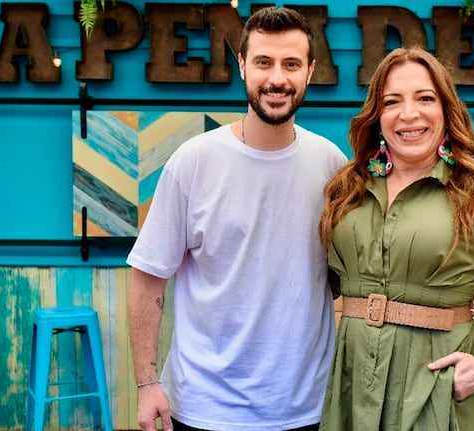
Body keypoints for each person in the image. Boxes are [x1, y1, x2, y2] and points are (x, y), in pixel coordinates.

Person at [126, 6, 347, 431]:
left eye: (291, 64)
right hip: (204, 408)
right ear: (243, 65)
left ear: (310, 71)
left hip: (305, 407)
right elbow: (148, 276)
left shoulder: (331, 165)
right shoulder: (193, 162)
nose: (277, 78)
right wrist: (146, 382)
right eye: (263, 62)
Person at [317, 45, 474, 430]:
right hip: (352, 379)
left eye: (425, 98)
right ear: (377, 116)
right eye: (392, 101)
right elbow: (319, 284)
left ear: (447, 109)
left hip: (433, 384)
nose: (408, 114)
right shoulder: (348, 190)